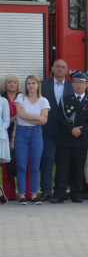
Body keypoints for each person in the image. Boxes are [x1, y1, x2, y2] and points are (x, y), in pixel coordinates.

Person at [52, 70, 88, 203]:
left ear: (86, 85)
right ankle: (59, 194)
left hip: (81, 141)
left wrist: (82, 130)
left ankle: (76, 194)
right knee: (62, 168)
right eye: (76, 82)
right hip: (66, 140)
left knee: (78, 168)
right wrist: (71, 130)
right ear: (72, 84)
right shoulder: (65, 100)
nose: (78, 85)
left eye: (81, 83)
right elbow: (60, 119)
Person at [39, 58, 73, 200]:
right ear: (52, 69)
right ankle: (46, 190)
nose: (60, 69)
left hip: (66, 131)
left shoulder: (72, 86)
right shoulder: (42, 85)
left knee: (63, 163)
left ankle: (61, 191)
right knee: (47, 161)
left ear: (66, 70)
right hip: (48, 130)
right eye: (57, 66)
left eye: (63, 67)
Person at [14, 75, 49, 204]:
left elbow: (44, 121)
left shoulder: (43, 101)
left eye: (33, 83)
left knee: (35, 166)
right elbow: (20, 115)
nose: (31, 86)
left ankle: (34, 195)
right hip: (22, 133)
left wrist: (37, 119)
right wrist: (38, 118)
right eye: (28, 83)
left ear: (38, 85)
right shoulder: (20, 98)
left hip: (36, 134)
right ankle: (22, 195)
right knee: (22, 165)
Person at [2, 74, 18, 201]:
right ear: (5, 84)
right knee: (6, 164)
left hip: (20, 133)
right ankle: (9, 193)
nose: (12, 84)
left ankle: (25, 192)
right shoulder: (2, 98)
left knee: (22, 163)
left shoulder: (23, 97)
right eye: (9, 82)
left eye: (15, 82)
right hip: (4, 134)